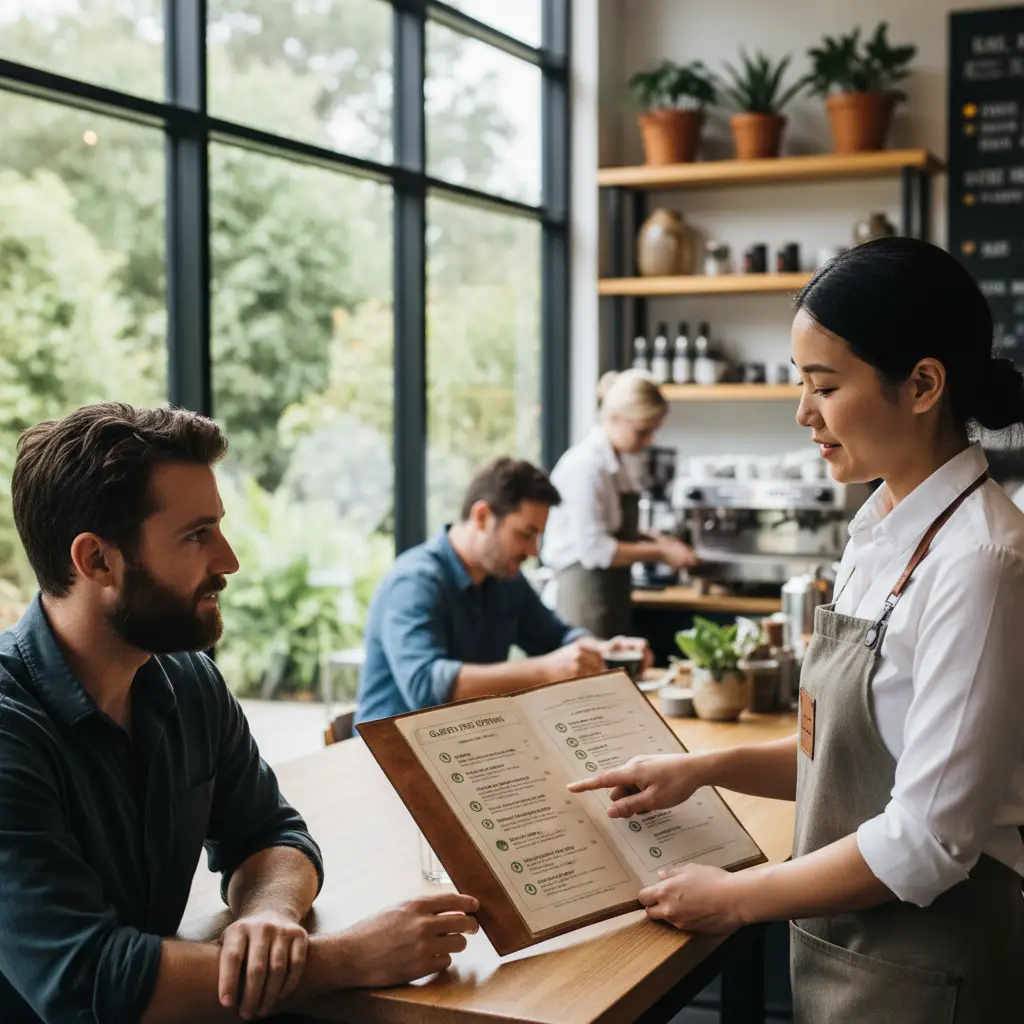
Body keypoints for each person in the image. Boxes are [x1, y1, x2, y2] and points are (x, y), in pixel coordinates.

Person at [568, 238, 1024, 1023]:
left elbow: (927, 841)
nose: (803, 412)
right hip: (849, 954)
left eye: (824, 385)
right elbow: (840, 751)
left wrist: (737, 897)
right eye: (799, 383)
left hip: (931, 975)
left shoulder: (981, 562)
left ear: (922, 384)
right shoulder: (878, 529)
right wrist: (700, 770)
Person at [0, 403, 479, 1024]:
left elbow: (274, 835)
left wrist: (269, 919)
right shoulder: (11, 727)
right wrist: (349, 958)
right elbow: (87, 983)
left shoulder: (186, 679)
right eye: (197, 534)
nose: (228, 561)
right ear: (96, 561)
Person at [356, 456, 650, 725]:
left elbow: (555, 637)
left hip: (463, 749)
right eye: (525, 534)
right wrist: (545, 670)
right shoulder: (414, 581)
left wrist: (599, 649)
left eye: (538, 536)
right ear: (482, 516)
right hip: (384, 764)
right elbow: (426, 688)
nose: (534, 551)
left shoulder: (505, 578)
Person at [542, 369, 696, 637]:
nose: (649, 441)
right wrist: (660, 552)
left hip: (610, 595)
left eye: (653, 431)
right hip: (581, 597)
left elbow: (615, 528)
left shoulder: (616, 463)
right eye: (642, 431)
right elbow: (595, 549)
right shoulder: (586, 468)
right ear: (613, 417)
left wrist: (659, 541)